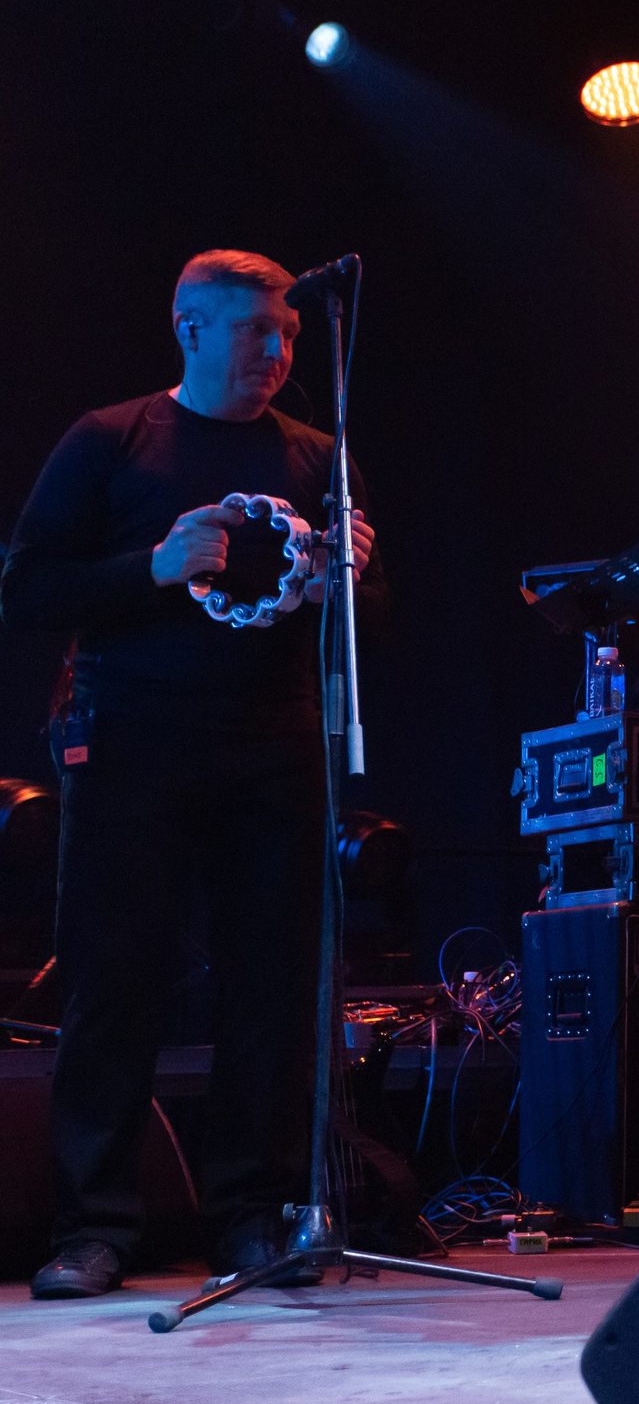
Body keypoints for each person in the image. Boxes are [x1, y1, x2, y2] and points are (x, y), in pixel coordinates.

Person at [3, 250, 382, 1298]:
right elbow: (26, 589)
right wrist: (155, 569)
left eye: (289, 334)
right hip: (133, 740)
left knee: (273, 988)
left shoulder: (317, 455)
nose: (278, 351)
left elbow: (378, 620)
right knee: (114, 982)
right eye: (257, 330)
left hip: (276, 742)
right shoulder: (114, 438)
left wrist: (348, 581)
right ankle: (93, 1228)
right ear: (192, 329)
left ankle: (254, 1219)